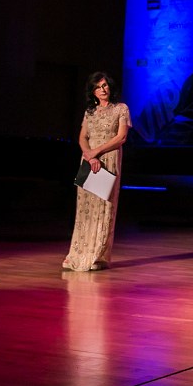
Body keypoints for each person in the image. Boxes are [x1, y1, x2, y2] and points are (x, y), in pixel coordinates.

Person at [62, 72, 131, 272]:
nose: (103, 89)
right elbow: (82, 137)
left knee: (103, 208)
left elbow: (121, 138)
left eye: (105, 85)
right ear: (92, 91)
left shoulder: (121, 108)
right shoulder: (89, 112)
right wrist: (89, 155)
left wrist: (97, 152)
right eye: (98, 87)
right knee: (85, 210)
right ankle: (77, 253)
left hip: (107, 159)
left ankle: (98, 256)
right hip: (89, 161)